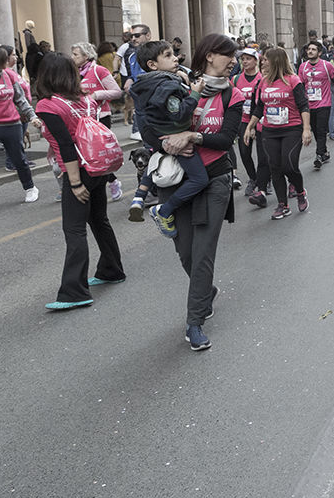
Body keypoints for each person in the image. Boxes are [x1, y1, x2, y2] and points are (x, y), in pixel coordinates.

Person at [155, 33, 245, 351]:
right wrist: (164, 141)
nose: (234, 61)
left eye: (235, 56)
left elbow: (225, 139)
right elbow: (155, 126)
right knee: (186, 254)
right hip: (176, 180)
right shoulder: (179, 86)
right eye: (228, 55)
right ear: (209, 56)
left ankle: (194, 323)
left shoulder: (233, 96)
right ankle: (205, 292)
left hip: (215, 180)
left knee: (203, 254)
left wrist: (192, 136)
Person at [34, 52, 125, 310]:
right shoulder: (86, 99)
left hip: (79, 170)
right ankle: (112, 270)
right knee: (99, 220)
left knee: (74, 230)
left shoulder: (48, 105)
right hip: (99, 166)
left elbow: (66, 144)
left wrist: (73, 182)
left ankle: (75, 291)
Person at [129, 40, 210, 237]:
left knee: (159, 161)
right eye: (168, 55)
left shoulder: (149, 82)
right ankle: (163, 210)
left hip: (160, 135)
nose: (175, 58)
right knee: (200, 179)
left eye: (174, 54)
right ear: (152, 64)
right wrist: (195, 93)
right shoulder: (165, 87)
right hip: (175, 135)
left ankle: (139, 196)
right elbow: (180, 113)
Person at [243, 47, 311, 219]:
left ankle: (300, 192)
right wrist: (249, 126)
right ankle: (283, 205)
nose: (263, 62)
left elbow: (303, 105)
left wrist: (306, 129)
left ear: (276, 61)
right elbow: (259, 108)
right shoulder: (264, 82)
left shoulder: (293, 80)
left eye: (266, 59)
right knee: (275, 167)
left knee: (289, 165)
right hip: (270, 131)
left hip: (292, 129)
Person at [0, 44, 41, 213]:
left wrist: (32, 116)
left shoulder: (8, 75)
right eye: (3, 60)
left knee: (19, 160)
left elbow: (20, 100)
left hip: (12, 125)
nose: (6, 63)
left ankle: (30, 188)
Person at [72, 41, 124, 201]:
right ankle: (109, 181)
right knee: (87, 156)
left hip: (100, 117)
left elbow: (116, 92)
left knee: (98, 155)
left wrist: (95, 95)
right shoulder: (73, 72)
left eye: (75, 54)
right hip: (80, 119)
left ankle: (111, 182)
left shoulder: (98, 70)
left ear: (86, 56)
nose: (72, 57)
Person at [298, 41, 334, 170]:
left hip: (324, 103)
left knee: (321, 130)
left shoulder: (327, 66)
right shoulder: (302, 67)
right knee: (314, 129)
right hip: (309, 105)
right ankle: (324, 152)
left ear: (319, 53)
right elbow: (301, 87)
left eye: (313, 49)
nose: (310, 51)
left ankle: (318, 155)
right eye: (308, 49)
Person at [232, 47, 263, 196]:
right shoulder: (236, 79)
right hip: (243, 120)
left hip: (260, 120)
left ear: (256, 60)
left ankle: (265, 180)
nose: (244, 61)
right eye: (242, 59)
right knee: (244, 152)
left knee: (263, 154)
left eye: (248, 58)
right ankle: (253, 178)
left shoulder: (262, 78)